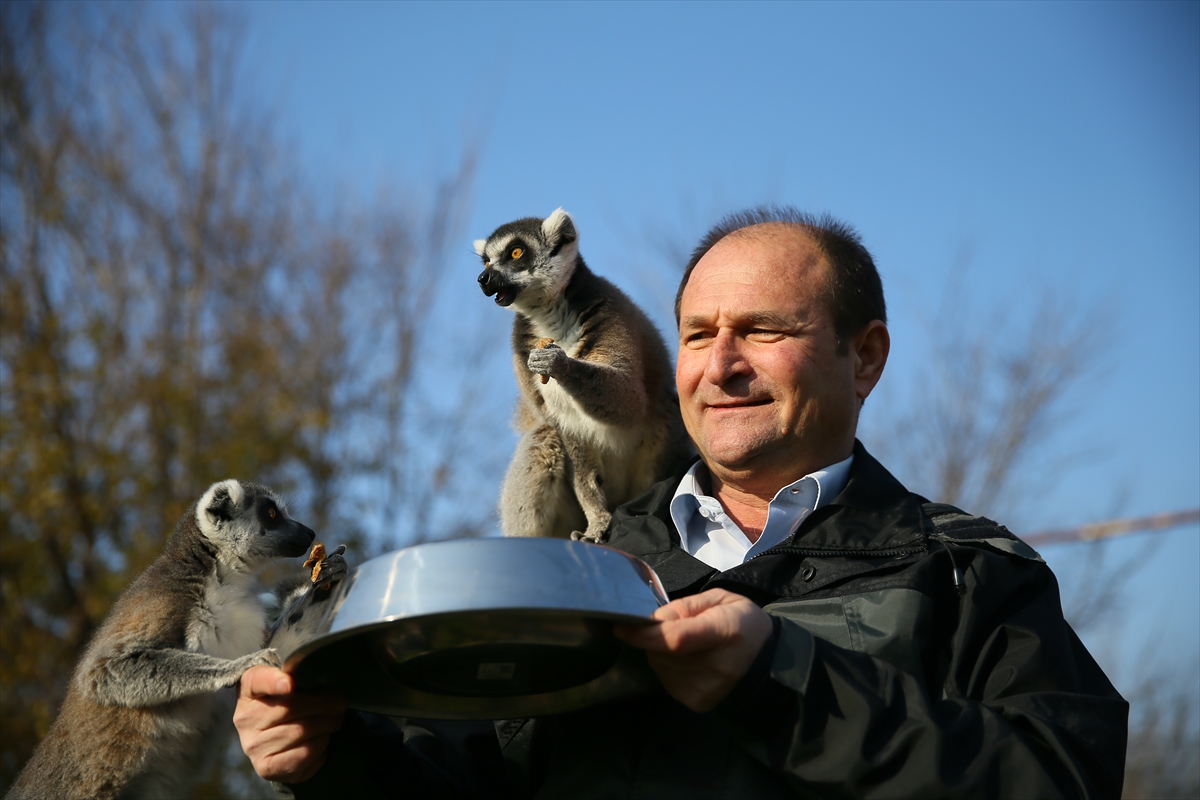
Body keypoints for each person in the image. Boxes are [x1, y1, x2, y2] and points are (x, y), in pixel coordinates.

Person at [234, 207, 1128, 798]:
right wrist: (333, 759)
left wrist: (785, 679)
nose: (721, 364)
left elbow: (1062, 777)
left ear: (866, 358)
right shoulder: (580, 574)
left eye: (764, 331)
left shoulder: (965, 572)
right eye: (700, 335)